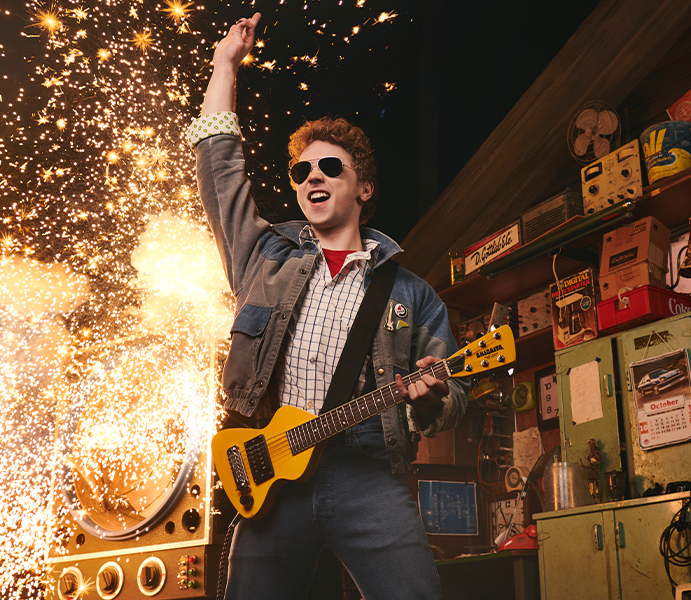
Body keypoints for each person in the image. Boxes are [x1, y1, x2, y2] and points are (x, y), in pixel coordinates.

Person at [188, 12, 468, 600]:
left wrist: (434, 395)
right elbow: (220, 172)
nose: (312, 176)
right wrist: (224, 66)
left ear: (364, 188)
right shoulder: (264, 259)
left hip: (367, 473)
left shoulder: (412, 294)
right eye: (302, 170)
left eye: (330, 167)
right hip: (271, 473)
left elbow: (453, 395)